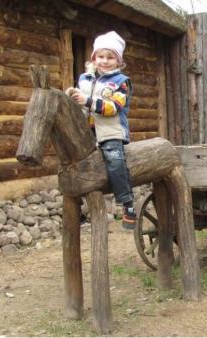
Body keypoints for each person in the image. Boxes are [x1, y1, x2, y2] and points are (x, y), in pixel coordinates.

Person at [70, 31, 136, 229]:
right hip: (86, 131)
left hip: (111, 131)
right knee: (72, 162)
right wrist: (72, 95)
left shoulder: (121, 82)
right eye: (101, 56)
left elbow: (114, 107)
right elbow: (78, 100)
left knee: (115, 163)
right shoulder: (85, 78)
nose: (105, 61)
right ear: (94, 57)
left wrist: (87, 101)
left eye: (110, 57)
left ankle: (127, 203)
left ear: (118, 60)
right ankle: (78, 206)